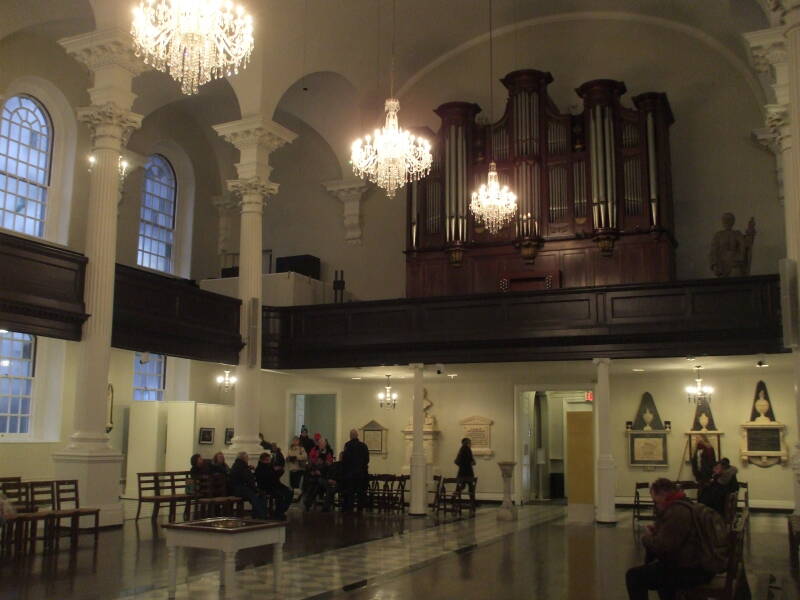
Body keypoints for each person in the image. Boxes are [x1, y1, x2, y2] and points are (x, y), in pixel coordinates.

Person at [626, 478, 715, 600]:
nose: (655, 505)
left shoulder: (677, 511)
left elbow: (663, 547)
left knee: (634, 576)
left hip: (692, 570)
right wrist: (659, 531)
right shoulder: (686, 503)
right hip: (701, 565)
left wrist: (647, 538)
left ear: (662, 495)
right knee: (659, 571)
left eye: (655, 501)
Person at [229, 451, 269, 520]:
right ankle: (262, 516)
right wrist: (256, 489)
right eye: (247, 458)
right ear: (244, 458)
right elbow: (249, 480)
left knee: (258, 494)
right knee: (257, 495)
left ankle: (258, 515)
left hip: (237, 489)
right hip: (240, 489)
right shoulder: (242, 466)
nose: (248, 459)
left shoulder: (237, 465)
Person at [255, 452, 292, 520]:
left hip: (275, 485)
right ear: (262, 460)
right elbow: (269, 479)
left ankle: (281, 511)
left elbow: (274, 477)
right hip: (267, 487)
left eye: (269, 460)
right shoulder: (260, 468)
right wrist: (277, 472)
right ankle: (278, 513)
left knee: (289, 491)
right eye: (267, 460)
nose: (269, 461)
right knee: (280, 495)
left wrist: (278, 471)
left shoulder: (268, 466)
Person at [341, 428, 370, 512]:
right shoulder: (363, 446)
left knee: (351, 493)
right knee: (360, 492)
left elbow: (344, 460)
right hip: (361, 474)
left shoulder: (347, 445)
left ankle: (350, 509)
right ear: (357, 436)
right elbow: (367, 459)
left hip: (350, 474)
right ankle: (360, 509)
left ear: (350, 436)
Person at [454, 437, 477, 507]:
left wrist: (461, 465)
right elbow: (471, 460)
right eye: (469, 443)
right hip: (468, 472)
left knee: (460, 487)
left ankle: (453, 500)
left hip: (461, 472)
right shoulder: (467, 449)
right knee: (471, 488)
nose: (470, 444)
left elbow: (456, 461)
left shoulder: (461, 449)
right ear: (467, 443)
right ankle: (473, 502)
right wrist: (472, 462)